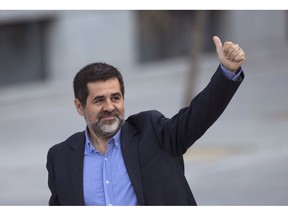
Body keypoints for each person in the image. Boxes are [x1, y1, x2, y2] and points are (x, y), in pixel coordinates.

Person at [46, 36, 245, 206]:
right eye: (99, 100)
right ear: (79, 106)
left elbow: (198, 115)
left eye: (115, 98)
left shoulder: (153, 133)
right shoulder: (61, 157)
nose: (109, 107)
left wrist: (226, 72)